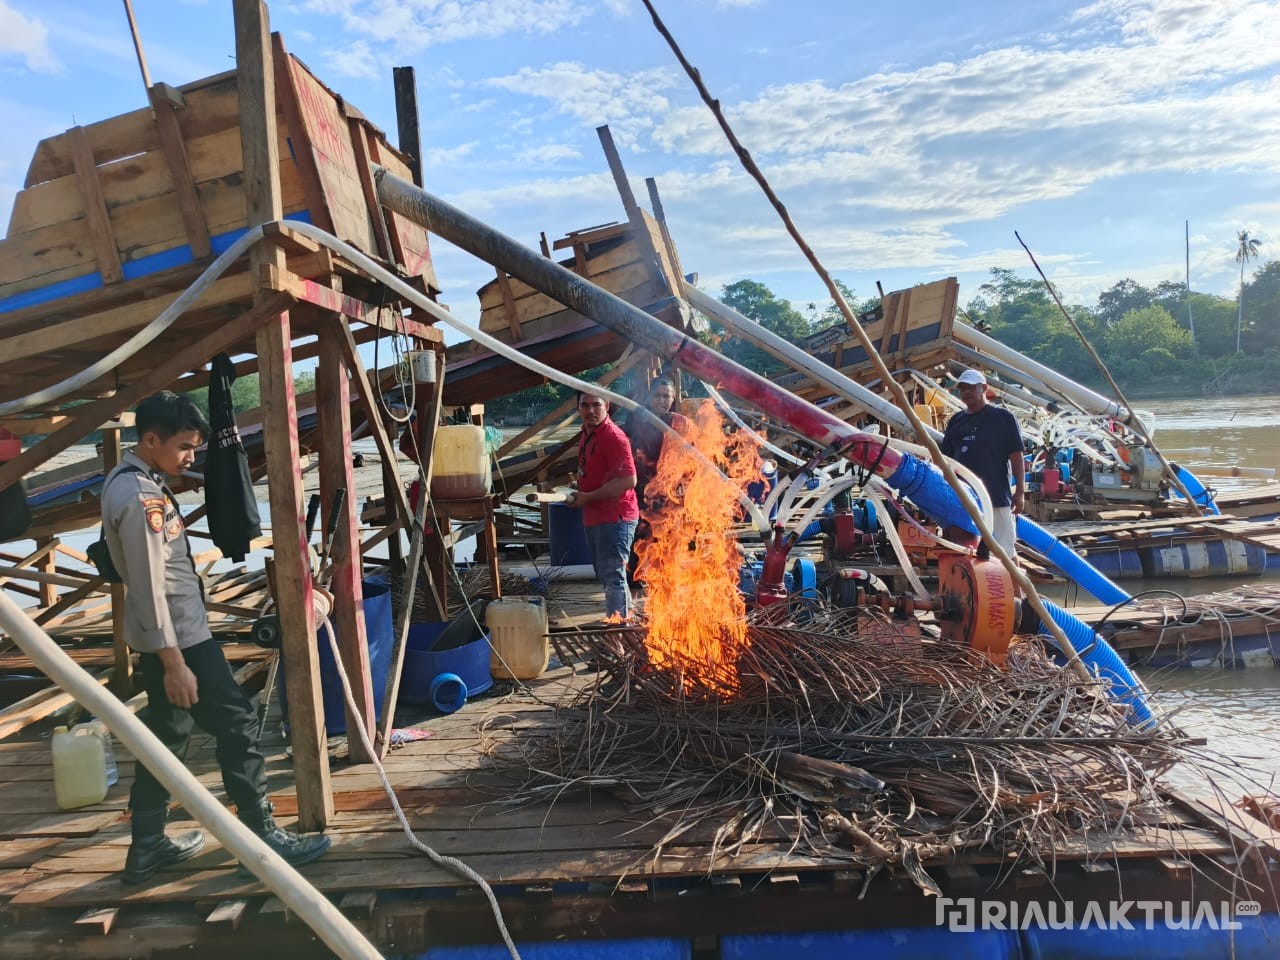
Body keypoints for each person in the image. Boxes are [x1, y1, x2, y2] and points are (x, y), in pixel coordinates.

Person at [103, 391, 330, 884]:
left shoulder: (133, 481)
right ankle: (261, 837)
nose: (190, 457)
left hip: (168, 637)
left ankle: (146, 850)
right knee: (238, 722)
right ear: (151, 439)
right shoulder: (139, 497)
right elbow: (146, 586)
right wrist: (174, 664)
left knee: (166, 738)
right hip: (178, 641)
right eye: (184, 447)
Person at [564, 391, 639, 619]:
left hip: (616, 517)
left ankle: (618, 635)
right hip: (595, 515)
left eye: (596, 405)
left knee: (612, 575)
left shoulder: (613, 436)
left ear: (606, 405)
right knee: (606, 574)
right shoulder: (587, 434)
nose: (590, 411)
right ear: (578, 409)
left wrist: (589, 497)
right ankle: (625, 623)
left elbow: (629, 480)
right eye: (584, 406)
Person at [940, 369, 1026, 557]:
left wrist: (1020, 492)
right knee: (969, 552)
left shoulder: (1002, 418)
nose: (967, 392)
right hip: (965, 499)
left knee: (1006, 550)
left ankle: (1016, 587)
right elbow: (945, 462)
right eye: (963, 388)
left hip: (996, 497)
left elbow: (1016, 456)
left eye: (971, 387)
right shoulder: (956, 421)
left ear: (984, 388)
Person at [623, 378, 692, 587]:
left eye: (666, 396)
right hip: (640, 489)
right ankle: (634, 583)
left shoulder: (680, 423)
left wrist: (685, 482)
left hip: (669, 491)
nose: (662, 401)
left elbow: (693, 455)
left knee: (667, 539)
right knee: (638, 537)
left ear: (673, 398)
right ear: (650, 397)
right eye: (658, 395)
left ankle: (663, 582)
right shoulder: (637, 419)